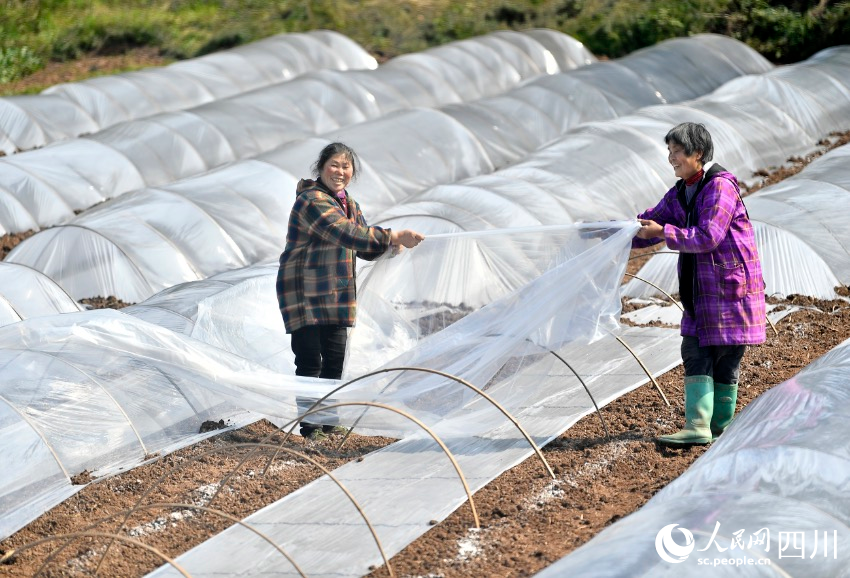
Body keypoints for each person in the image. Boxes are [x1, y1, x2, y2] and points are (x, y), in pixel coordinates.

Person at [276, 142, 425, 441]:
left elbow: (363, 244)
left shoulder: (349, 203)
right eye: (334, 164)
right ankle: (310, 427)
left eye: (346, 166)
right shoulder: (311, 200)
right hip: (305, 293)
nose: (340, 171)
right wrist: (393, 235)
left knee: (333, 360)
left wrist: (389, 249)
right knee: (310, 362)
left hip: (336, 292)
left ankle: (329, 423)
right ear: (320, 168)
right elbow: (343, 231)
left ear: (352, 172)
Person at [633, 122, 766, 445]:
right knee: (694, 352)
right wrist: (609, 233)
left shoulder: (719, 188)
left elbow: (709, 236)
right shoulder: (681, 192)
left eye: (677, 152)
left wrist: (663, 233)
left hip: (729, 293)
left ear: (698, 154)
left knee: (725, 358)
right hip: (700, 294)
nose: (671, 158)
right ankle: (699, 425)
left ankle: (718, 426)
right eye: (670, 152)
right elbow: (650, 221)